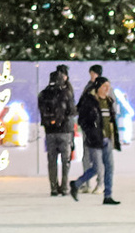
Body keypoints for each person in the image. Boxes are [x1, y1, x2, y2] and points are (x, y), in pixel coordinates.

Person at [70, 66, 122, 205]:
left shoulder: (109, 101)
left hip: (107, 139)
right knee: (97, 168)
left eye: (108, 86)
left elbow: (112, 120)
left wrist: (114, 137)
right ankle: (77, 183)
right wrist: (90, 132)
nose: (107, 89)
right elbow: (82, 119)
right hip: (94, 139)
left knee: (109, 168)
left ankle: (108, 195)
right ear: (98, 87)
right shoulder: (90, 101)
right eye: (105, 86)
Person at [38, 65, 77, 196]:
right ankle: (64, 187)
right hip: (65, 130)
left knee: (52, 160)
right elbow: (72, 111)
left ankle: (53, 187)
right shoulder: (66, 93)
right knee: (65, 161)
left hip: (50, 131)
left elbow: (41, 110)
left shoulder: (43, 94)